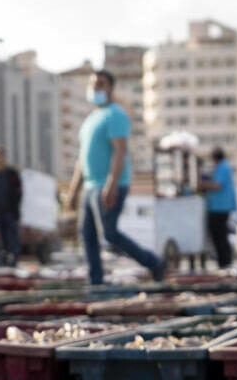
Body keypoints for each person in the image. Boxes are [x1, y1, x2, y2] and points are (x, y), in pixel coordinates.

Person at [66, 70, 165, 285]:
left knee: (110, 234)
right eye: (93, 84)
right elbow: (81, 160)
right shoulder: (91, 119)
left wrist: (111, 184)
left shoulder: (115, 114)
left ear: (111, 88)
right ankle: (96, 282)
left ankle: (154, 263)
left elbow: (121, 151)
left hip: (110, 185)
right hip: (91, 186)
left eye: (101, 84)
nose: (96, 88)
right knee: (87, 235)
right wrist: (74, 191)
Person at [198, 146, 237, 268]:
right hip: (221, 207)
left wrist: (202, 185)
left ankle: (225, 263)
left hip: (219, 207)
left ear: (215, 157)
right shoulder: (224, 166)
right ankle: (224, 262)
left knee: (219, 236)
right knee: (220, 235)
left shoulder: (222, 167)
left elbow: (217, 185)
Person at [0, 146, 22, 267]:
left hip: (11, 214)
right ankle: (2, 264)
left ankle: (13, 264)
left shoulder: (12, 173)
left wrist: (15, 209)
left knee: (12, 240)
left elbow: (19, 193)